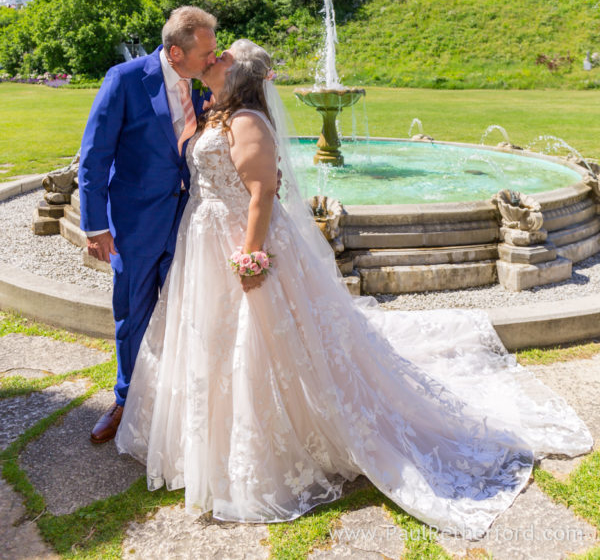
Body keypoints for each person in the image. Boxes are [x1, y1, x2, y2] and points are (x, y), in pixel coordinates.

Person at [116, 39, 592, 535]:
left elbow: (262, 191)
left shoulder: (247, 122)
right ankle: (207, 441)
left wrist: (252, 255)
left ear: (239, 79)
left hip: (243, 244)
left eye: (222, 60)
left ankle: (266, 445)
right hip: (208, 240)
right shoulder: (214, 113)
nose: (212, 62)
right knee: (213, 339)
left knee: (258, 342)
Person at [79, 6, 220, 445]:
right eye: (205, 53)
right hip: (134, 223)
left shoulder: (204, 85)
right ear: (175, 52)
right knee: (132, 315)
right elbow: (94, 156)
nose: (211, 60)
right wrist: (95, 226)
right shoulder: (124, 80)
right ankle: (125, 401)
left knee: (186, 311)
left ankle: (178, 402)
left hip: (188, 220)